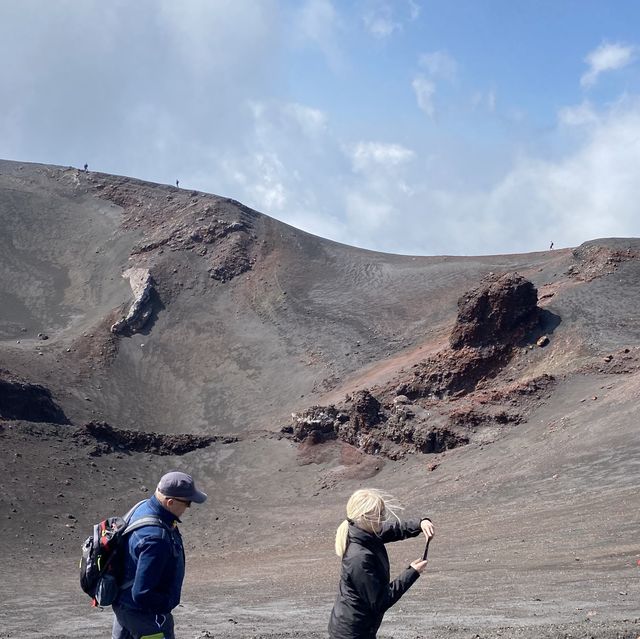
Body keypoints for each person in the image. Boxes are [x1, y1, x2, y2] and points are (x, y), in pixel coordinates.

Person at [111, 471, 207, 639]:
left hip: (123, 607)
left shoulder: (142, 507)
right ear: (170, 502)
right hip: (145, 617)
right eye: (188, 503)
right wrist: (167, 604)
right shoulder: (156, 538)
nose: (188, 508)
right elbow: (142, 593)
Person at [328, 488, 434, 639]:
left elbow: (393, 529)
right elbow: (381, 601)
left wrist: (420, 524)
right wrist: (412, 572)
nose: (383, 518)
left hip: (358, 627)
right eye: (380, 514)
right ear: (364, 516)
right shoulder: (358, 558)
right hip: (352, 633)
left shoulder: (365, 531)